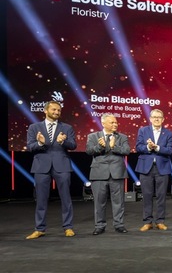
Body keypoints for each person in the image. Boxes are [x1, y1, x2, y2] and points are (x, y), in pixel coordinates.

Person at [26, 100, 78, 239]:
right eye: (54, 110)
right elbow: (30, 147)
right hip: (41, 166)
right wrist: (40, 143)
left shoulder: (67, 127)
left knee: (66, 198)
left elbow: (73, 145)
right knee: (41, 199)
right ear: (45, 110)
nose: (56, 112)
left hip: (62, 165)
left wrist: (63, 141)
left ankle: (68, 227)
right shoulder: (34, 127)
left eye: (59, 110)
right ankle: (39, 228)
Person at [86, 113, 131, 235]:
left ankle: (119, 225)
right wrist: (100, 147)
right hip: (99, 173)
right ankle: (99, 226)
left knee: (119, 201)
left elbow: (127, 150)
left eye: (116, 122)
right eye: (112, 122)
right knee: (99, 202)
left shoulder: (122, 137)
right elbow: (89, 151)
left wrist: (114, 146)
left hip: (117, 173)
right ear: (103, 123)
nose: (115, 124)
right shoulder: (93, 136)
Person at [134, 108, 172, 232]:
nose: (156, 119)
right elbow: (138, 147)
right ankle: (147, 222)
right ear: (150, 119)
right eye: (154, 117)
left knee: (161, 196)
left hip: (162, 168)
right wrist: (148, 147)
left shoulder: (168, 133)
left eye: (159, 117)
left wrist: (157, 148)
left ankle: (160, 221)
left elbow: (169, 150)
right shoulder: (143, 130)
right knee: (146, 195)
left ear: (163, 119)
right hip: (146, 167)